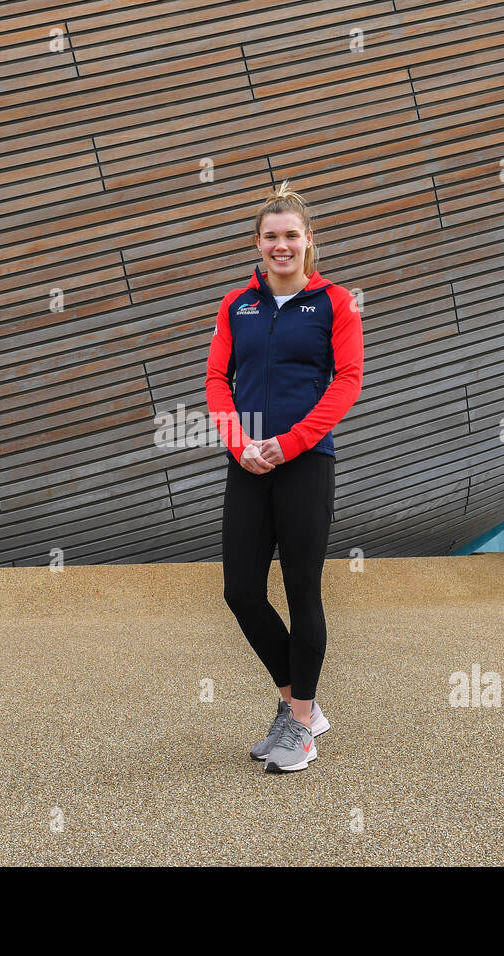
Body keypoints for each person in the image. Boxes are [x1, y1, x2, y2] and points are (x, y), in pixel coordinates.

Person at [203, 180, 365, 773]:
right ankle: (296, 701)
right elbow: (218, 382)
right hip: (246, 465)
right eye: (271, 236)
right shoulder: (235, 305)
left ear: (309, 241)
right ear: (258, 242)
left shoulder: (336, 304)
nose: (281, 246)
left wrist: (290, 442)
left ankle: (300, 725)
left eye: (291, 236)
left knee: (302, 592)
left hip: (306, 465)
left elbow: (347, 380)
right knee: (240, 590)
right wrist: (239, 442)